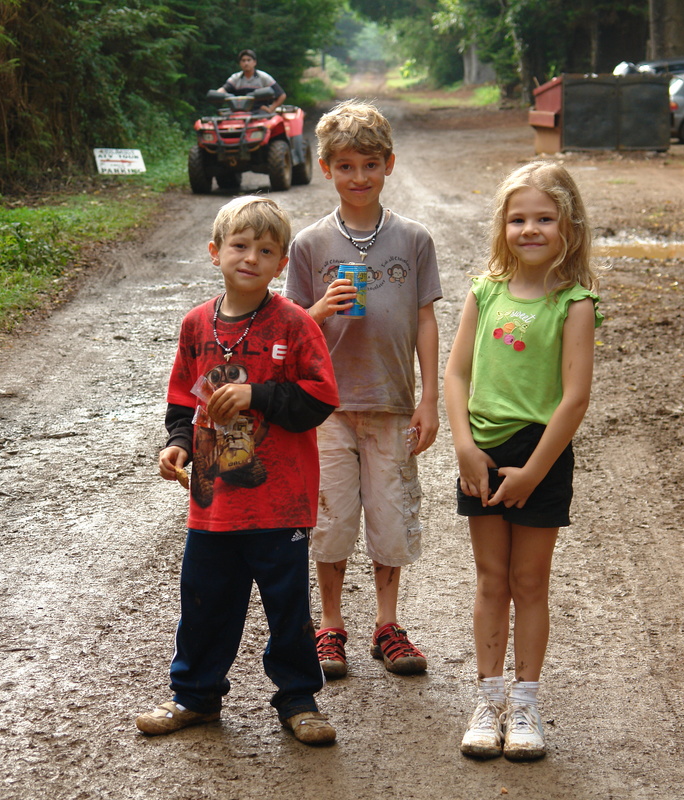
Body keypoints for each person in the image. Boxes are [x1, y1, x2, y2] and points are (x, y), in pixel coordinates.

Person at [135, 195, 340, 746]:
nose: (250, 257)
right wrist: (178, 443)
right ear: (215, 252)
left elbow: (321, 398)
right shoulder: (195, 325)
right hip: (212, 504)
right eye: (239, 245)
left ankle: (299, 699)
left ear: (281, 263)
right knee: (204, 602)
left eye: (265, 249)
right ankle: (195, 697)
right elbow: (183, 400)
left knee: (288, 606)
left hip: (281, 504)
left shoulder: (295, 325)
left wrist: (258, 394)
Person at [443, 161, 602, 761]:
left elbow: (574, 397)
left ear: (569, 226)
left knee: (530, 581)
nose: (529, 229)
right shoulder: (484, 293)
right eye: (517, 218)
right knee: (491, 580)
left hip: (541, 455)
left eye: (544, 217)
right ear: (501, 226)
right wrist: (464, 445)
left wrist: (535, 471)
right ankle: (487, 700)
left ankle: (526, 704)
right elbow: (456, 374)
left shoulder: (576, 303)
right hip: (482, 453)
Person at [284, 100, 442, 681]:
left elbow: (426, 318)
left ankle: (386, 622)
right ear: (326, 169)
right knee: (331, 517)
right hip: (326, 406)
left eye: (369, 165)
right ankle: (330, 625)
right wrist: (321, 309)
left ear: (389, 165)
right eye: (345, 166)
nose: (358, 177)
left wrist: (428, 399)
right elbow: (292, 326)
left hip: (393, 402)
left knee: (391, 515)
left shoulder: (414, 238)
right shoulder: (309, 245)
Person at [219, 49, 286, 112]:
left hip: (259, 113)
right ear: (240, 63)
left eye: (249, 60)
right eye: (243, 60)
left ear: (254, 62)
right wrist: (216, 94)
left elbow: (281, 95)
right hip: (238, 113)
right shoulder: (235, 78)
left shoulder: (263, 77)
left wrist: (271, 109)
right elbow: (224, 89)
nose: (246, 63)